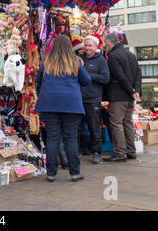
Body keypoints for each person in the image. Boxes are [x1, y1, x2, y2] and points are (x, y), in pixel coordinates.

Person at [35, 35, 91, 182]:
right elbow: (86, 81)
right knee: (71, 138)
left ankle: (51, 173)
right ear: (69, 47)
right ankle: (74, 173)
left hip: (49, 104)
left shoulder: (46, 62)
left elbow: (38, 83)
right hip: (71, 104)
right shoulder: (76, 61)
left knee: (53, 138)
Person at [103, 33, 142, 162]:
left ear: (109, 43)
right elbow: (138, 74)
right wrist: (135, 90)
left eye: (105, 43)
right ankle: (131, 151)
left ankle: (120, 153)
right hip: (130, 96)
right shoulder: (131, 54)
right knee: (127, 123)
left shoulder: (113, 56)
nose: (104, 46)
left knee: (116, 123)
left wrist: (131, 91)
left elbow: (120, 76)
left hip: (119, 95)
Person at [80, 35, 110, 164]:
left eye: (90, 45)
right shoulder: (79, 59)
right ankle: (77, 151)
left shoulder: (101, 60)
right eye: (86, 45)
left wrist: (87, 76)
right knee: (76, 127)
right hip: (78, 98)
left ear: (96, 47)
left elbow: (105, 78)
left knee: (94, 127)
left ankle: (96, 152)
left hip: (93, 98)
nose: (87, 48)